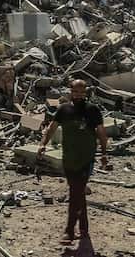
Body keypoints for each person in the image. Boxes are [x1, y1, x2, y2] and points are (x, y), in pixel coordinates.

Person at [38, 79, 109, 243]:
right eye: (75, 92)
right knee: (77, 191)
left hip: (86, 158)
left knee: (75, 192)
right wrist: (42, 145)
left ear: (86, 93)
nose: (78, 95)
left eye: (81, 92)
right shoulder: (64, 109)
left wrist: (104, 154)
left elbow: (102, 134)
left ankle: (69, 231)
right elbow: (52, 128)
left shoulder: (92, 110)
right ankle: (84, 228)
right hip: (68, 158)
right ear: (70, 91)